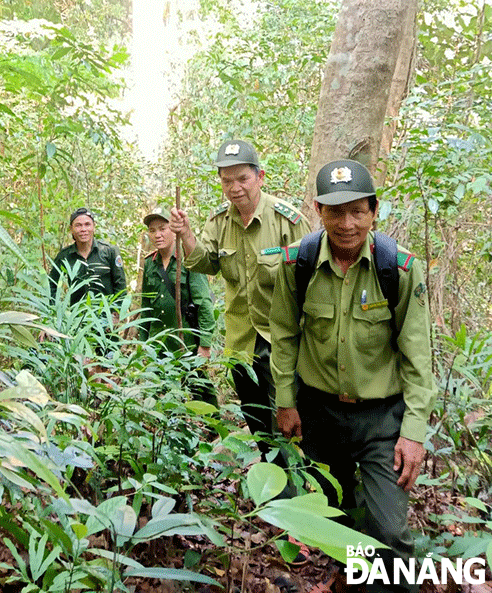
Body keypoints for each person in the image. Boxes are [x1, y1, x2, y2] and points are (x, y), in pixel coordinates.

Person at [270, 159, 436, 593]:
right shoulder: (297, 264)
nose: (347, 224)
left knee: (390, 531)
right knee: (337, 518)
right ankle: (358, 581)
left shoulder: (396, 268)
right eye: (335, 212)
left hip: (383, 420)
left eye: (357, 211)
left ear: (374, 211)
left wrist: (414, 433)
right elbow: (285, 336)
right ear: (318, 211)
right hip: (320, 414)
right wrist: (285, 401)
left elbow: (418, 357)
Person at [169, 139, 310, 460]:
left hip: (283, 343)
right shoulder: (219, 221)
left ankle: (297, 493)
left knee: (291, 425)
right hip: (241, 345)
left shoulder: (286, 220)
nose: (234, 188)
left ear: (260, 177)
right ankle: (275, 491)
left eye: (242, 178)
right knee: (257, 421)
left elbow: (312, 283)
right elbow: (205, 263)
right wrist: (186, 234)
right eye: (226, 181)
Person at [140, 205, 219, 409]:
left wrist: (205, 344)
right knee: (160, 392)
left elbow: (203, 302)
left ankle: (213, 431)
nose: (157, 235)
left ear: (173, 228)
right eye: (152, 230)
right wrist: (143, 343)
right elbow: (146, 306)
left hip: (188, 339)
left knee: (199, 387)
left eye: (163, 228)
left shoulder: (188, 259)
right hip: (159, 341)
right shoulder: (150, 263)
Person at [49, 207, 127, 312]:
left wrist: (116, 313)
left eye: (87, 224)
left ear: (94, 226)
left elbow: (120, 285)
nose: (83, 229)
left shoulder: (109, 251)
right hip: (77, 319)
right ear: (71, 229)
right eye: (78, 225)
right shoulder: (65, 256)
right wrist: (56, 311)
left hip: (106, 317)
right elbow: (51, 285)